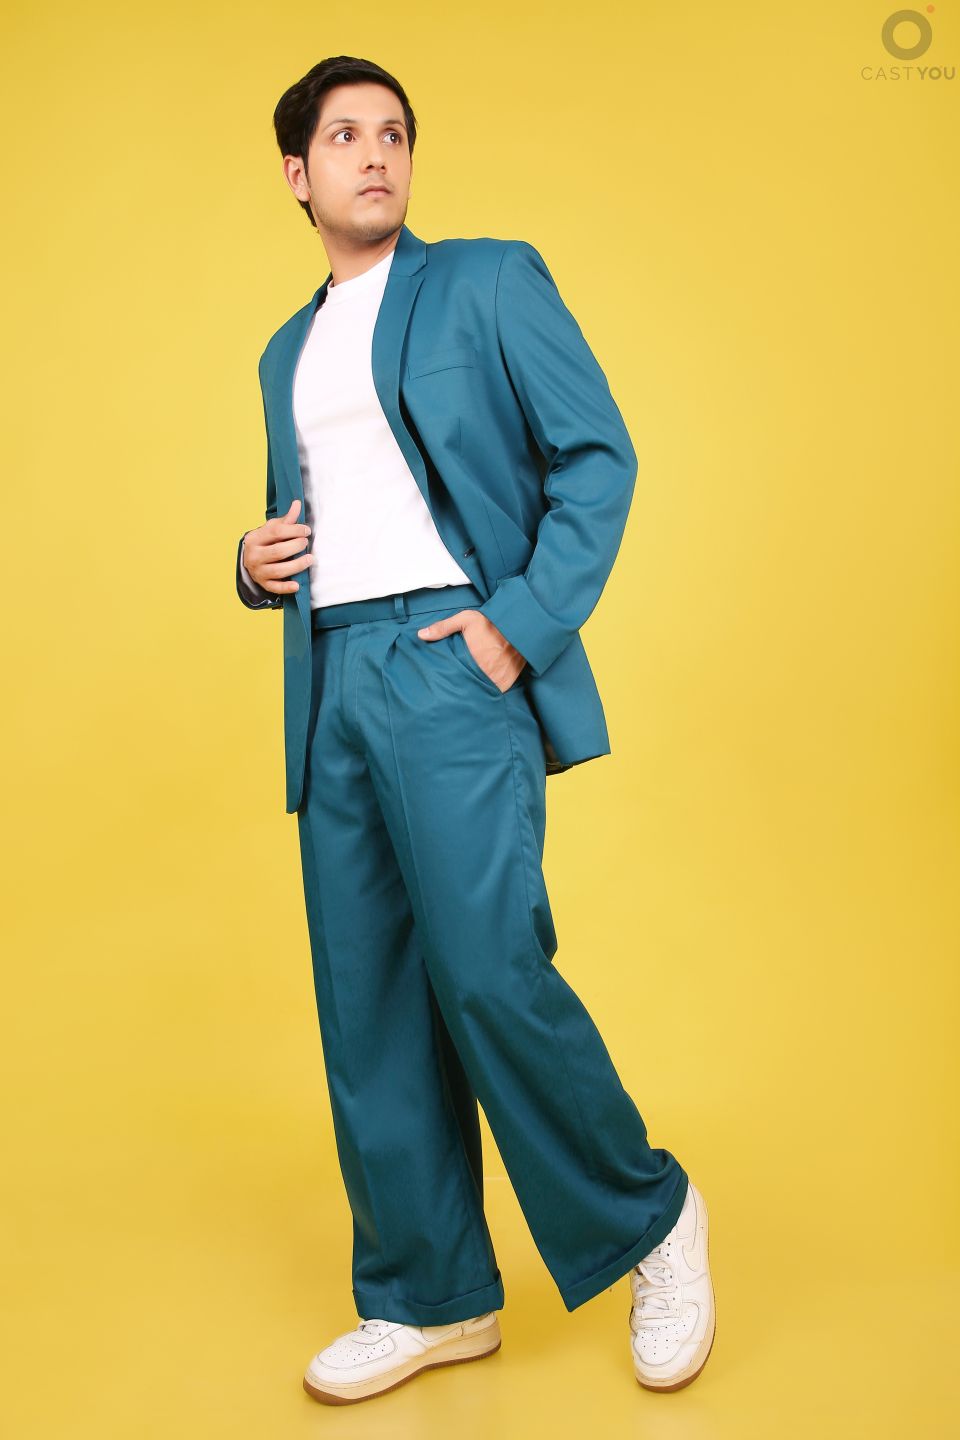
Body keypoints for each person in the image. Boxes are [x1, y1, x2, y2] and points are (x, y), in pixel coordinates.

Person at [236, 55, 716, 1406]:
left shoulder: (488, 281)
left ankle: (653, 1217)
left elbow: (598, 457)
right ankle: (430, 1296)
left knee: (490, 969)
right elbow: (323, 511)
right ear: (298, 174)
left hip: (452, 661)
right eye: (345, 136)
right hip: (333, 674)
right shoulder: (283, 351)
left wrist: (517, 626)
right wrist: (255, 564)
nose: (376, 154)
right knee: (369, 997)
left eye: (393, 133)